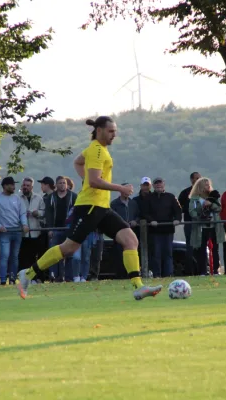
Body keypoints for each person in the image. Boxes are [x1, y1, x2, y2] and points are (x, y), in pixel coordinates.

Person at [17, 116, 162, 300]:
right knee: (69, 248)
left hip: (101, 207)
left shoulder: (95, 149)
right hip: (89, 207)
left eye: (115, 132)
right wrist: (120, 188)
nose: (114, 135)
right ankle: (28, 274)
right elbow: (94, 181)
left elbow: (78, 162)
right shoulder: (97, 151)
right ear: (99, 130)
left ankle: (138, 286)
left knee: (130, 240)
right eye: (110, 131)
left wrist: (85, 178)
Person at [0, 176, 29, 285]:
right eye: (11, 184)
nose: (13, 186)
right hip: (5, 232)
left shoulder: (17, 199)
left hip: (17, 231)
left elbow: (22, 213)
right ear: (5, 186)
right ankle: (3, 279)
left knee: (14, 256)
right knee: (5, 255)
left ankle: (12, 278)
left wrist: (24, 224)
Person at [189, 178, 225, 276]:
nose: (208, 186)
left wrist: (211, 204)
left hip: (214, 226)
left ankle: (216, 270)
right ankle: (203, 271)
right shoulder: (194, 198)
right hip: (201, 228)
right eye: (205, 185)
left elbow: (219, 208)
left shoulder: (214, 196)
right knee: (201, 249)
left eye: (209, 184)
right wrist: (201, 214)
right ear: (200, 186)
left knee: (215, 248)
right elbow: (192, 211)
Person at [147, 178, 182, 278]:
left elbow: (178, 210)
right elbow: (145, 212)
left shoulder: (170, 197)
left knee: (168, 254)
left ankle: (168, 275)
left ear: (164, 185)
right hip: (155, 231)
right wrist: (151, 220)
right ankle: (157, 275)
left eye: (160, 183)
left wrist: (177, 219)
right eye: (156, 184)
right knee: (156, 254)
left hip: (168, 230)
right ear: (153, 186)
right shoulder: (149, 198)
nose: (158, 185)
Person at [45, 176, 78, 282]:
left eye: (64, 183)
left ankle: (69, 277)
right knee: (54, 254)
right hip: (55, 229)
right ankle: (54, 277)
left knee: (69, 254)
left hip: (69, 229)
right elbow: (48, 214)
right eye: (60, 183)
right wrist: (49, 229)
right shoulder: (51, 197)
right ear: (56, 185)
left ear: (67, 184)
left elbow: (76, 213)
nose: (62, 185)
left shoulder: (73, 196)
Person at [110, 182, 140, 272]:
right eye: (127, 189)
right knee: (119, 254)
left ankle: (131, 273)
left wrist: (136, 221)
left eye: (130, 190)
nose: (128, 192)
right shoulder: (114, 203)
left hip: (132, 232)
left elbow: (138, 215)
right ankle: (120, 274)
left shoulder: (133, 203)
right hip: (119, 233)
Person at [18, 177, 46, 273]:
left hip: (35, 231)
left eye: (28, 185)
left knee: (33, 256)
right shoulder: (17, 198)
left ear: (32, 187)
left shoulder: (38, 198)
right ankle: (22, 275)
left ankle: (33, 276)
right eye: (24, 185)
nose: (25, 187)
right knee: (22, 256)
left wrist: (37, 213)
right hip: (22, 232)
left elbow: (44, 212)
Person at [178, 172, 201, 275]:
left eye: (199, 178)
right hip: (190, 223)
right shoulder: (184, 193)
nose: (197, 180)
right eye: (196, 178)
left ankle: (203, 271)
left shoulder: (206, 192)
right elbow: (179, 208)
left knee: (202, 247)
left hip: (203, 224)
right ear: (191, 180)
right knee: (190, 248)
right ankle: (190, 271)